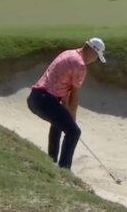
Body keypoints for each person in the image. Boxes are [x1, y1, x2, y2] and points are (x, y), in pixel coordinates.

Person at [27, 38, 106, 169]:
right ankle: (64, 168)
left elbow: (65, 95)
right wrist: (72, 120)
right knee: (74, 132)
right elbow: (74, 96)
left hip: (35, 98)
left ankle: (52, 160)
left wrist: (67, 116)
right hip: (45, 100)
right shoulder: (80, 65)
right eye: (97, 57)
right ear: (93, 52)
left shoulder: (68, 53)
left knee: (59, 124)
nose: (94, 60)